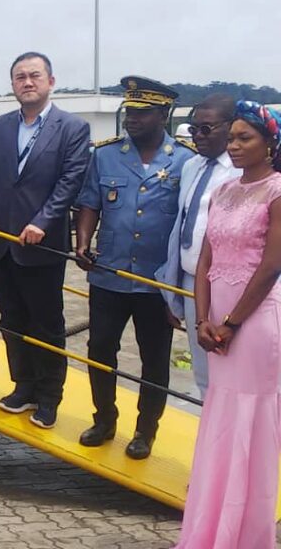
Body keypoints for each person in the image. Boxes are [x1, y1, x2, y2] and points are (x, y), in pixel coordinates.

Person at [173, 100, 281, 549]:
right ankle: (210, 527)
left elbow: (272, 266)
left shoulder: (277, 192)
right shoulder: (223, 191)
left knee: (251, 421)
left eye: (244, 138)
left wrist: (232, 324)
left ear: (269, 143)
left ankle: (246, 534)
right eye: (232, 137)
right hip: (215, 319)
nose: (234, 146)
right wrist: (203, 319)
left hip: (255, 322)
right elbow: (204, 262)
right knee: (220, 416)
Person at [75, 76, 195, 459]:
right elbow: (90, 203)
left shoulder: (187, 161)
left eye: (143, 113)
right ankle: (104, 420)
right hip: (109, 274)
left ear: (164, 115)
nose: (132, 119)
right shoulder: (105, 155)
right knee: (99, 349)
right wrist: (82, 241)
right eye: (130, 112)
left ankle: (145, 431)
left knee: (154, 359)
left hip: (157, 282)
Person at [0, 52, 91, 428]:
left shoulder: (72, 128)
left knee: (46, 324)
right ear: (12, 84)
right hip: (1, 242)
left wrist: (42, 221)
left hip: (41, 244)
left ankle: (49, 397)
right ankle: (22, 385)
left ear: (50, 82)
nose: (27, 82)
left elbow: (70, 180)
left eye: (35, 75)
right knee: (11, 319)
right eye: (20, 77)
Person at [156, 93, 239, 398]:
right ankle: (209, 423)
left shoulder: (242, 170)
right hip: (193, 280)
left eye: (207, 129)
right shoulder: (192, 166)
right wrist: (172, 288)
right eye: (193, 129)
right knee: (202, 370)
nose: (198, 136)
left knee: (232, 366)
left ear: (231, 126)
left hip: (229, 284)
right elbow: (181, 226)